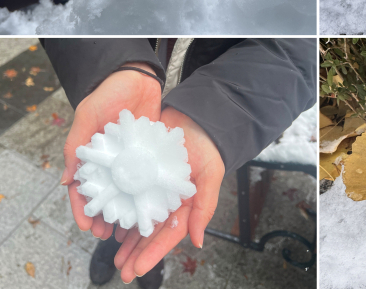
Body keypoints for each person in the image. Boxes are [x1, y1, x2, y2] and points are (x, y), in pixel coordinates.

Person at [41, 38, 317, 288]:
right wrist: (110, 66)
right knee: (106, 211)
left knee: (152, 218)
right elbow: (79, 2)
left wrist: (225, 105)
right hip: (119, 96)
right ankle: (111, 240)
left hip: (203, 94)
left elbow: (300, 45)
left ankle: (142, 249)